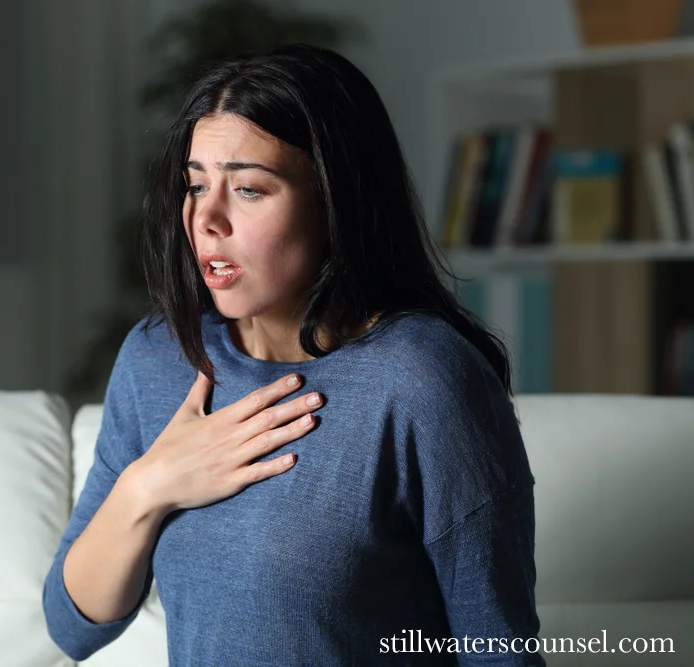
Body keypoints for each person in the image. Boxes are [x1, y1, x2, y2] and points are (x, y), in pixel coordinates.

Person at [43, 44, 544, 666]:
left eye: (250, 189)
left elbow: (501, 653)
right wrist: (152, 484)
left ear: (337, 200)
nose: (207, 219)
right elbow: (73, 626)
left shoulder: (423, 380)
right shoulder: (159, 358)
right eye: (196, 185)